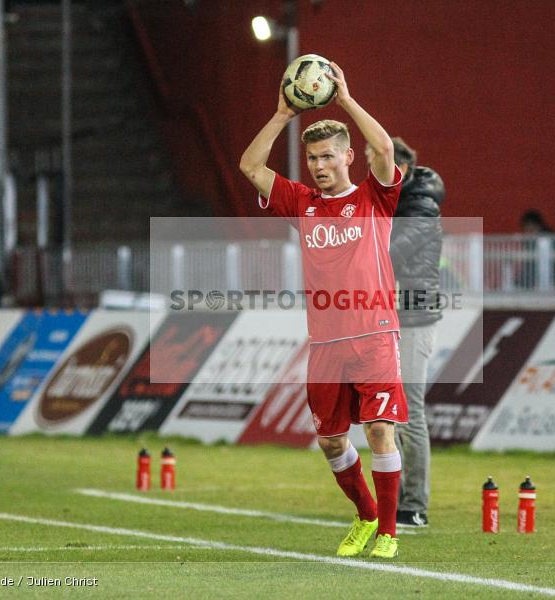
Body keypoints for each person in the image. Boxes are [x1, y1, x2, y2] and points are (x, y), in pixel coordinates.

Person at [240, 63, 406, 558]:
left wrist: (346, 100)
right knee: (332, 444)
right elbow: (250, 166)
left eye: (329, 156)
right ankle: (366, 517)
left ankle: (390, 534)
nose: (319, 165)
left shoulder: (375, 197)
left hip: (375, 334)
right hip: (327, 343)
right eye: (313, 158)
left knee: (379, 430)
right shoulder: (302, 202)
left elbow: (386, 150)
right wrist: (280, 114)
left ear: (347, 156)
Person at [366, 137, 443, 527]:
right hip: (384, 318)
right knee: (384, 414)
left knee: (409, 413)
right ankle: (393, 501)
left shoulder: (421, 206)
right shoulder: (389, 201)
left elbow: (388, 252)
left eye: (374, 162)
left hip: (414, 318)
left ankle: (414, 505)